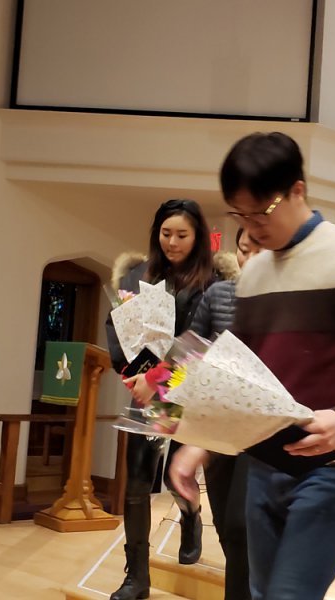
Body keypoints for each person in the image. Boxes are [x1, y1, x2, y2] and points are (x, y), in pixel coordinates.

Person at [170, 131, 335, 600]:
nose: (251, 227)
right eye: (240, 214)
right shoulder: (255, 274)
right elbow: (237, 372)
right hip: (264, 463)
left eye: (261, 212)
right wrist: (198, 444)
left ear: (297, 190)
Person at [106, 198, 214, 600]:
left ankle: (191, 517)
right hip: (146, 390)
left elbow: (203, 342)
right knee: (136, 483)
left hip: (187, 390)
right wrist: (132, 374)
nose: (172, 242)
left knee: (176, 476)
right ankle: (136, 576)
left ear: (197, 236)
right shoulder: (137, 275)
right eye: (166, 233)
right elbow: (118, 329)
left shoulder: (211, 282)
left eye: (182, 235)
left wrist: (162, 381)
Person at [186, 227, 261, 600]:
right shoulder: (218, 294)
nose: (250, 257)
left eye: (259, 249)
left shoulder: (286, 301)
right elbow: (190, 352)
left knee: (240, 523)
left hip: (261, 427)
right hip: (218, 423)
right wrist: (156, 382)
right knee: (226, 527)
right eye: (244, 249)